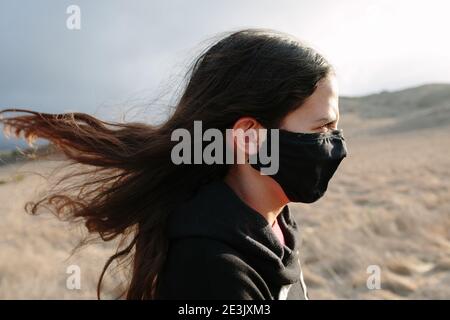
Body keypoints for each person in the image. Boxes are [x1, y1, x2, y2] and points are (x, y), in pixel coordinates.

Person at [0, 28, 347, 300]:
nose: (337, 144)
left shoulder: (273, 220)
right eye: (323, 128)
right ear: (248, 137)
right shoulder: (212, 270)